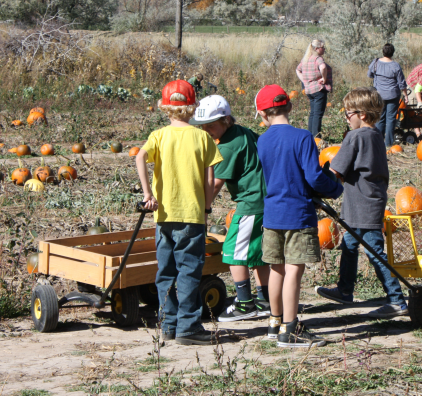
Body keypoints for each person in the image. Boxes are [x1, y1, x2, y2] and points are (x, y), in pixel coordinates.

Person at [255, 85, 343, 347]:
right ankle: (290, 330)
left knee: (276, 269)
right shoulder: (303, 137)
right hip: (297, 213)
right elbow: (314, 176)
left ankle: (274, 322)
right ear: (290, 106)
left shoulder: (262, 140)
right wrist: (334, 188)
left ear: (262, 114)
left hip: (272, 214)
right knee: (294, 269)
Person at [136, 80, 223, 345]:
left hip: (163, 217)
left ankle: (168, 324)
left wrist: (147, 194)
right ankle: (188, 327)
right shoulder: (202, 137)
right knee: (189, 271)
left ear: (165, 107)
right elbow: (210, 180)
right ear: (193, 107)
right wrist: (207, 208)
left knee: (166, 271)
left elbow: (139, 157)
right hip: (191, 217)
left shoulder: (158, 136)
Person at [314, 88, 408, 318]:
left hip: (362, 205)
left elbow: (335, 171)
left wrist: (315, 186)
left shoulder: (354, 137)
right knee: (349, 245)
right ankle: (345, 290)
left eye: (348, 113)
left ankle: (397, 300)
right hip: (368, 201)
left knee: (374, 251)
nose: (346, 117)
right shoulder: (376, 135)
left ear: (362, 114)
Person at [189, 95, 271, 322]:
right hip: (264, 200)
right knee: (257, 254)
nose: (207, 130)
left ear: (226, 120)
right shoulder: (243, 132)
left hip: (251, 203)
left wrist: (203, 210)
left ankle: (245, 303)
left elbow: (215, 183)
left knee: (234, 251)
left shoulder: (227, 146)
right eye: (203, 126)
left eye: (211, 125)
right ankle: (265, 301)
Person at [368, 43, 407, 148]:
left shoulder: (375, 63)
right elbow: (401, 83)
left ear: (383, 51)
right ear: (393, 53)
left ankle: (378, 142)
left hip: (379, 95)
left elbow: (369, 75)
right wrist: (406, 95)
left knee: (380, 118)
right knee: (391, 119)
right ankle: (388, 144)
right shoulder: (395, 66)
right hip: (393, 95)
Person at [296, 39, 333, 137]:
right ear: (317, 48)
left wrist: (304, 81)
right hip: (318, 89)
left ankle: (310, 136)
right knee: (317, 114)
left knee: (312, 113)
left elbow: (298, 70)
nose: (324, 49)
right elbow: (323, 67)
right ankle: (316, 136)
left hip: (309, 90)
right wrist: (324, 79)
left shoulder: (306, 59)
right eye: (323, 47)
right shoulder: (318, 59)